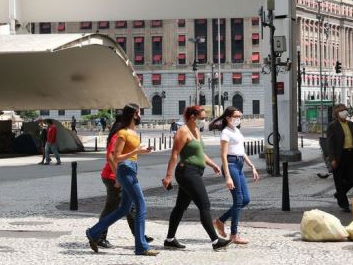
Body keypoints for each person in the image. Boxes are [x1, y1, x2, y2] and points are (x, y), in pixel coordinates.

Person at [87, 104, 157, 256]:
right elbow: (115, 157)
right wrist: (136, 151)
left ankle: (93, 233)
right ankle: (141, 246)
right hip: (125, 170)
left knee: (124, 209)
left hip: (131, 168)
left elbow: (131, 154)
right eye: (139, 113)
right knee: (140, 206)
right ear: (134, 115)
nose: (141, 116)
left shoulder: (133, 132)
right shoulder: (122, 133)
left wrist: (141, 152)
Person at [162, 106, 231, 251]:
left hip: (195, 172)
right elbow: (174, 154)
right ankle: (215, 241)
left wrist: (212, 164)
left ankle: (169, 239)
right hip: (187, 172)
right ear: (193, 117)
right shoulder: (183, 131)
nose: (204, 121)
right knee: (204, 205)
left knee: (180, 207)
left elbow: (200, 152)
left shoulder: (197, 131)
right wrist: (168, 176)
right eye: (202, 118)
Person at [211, 106, 259, 245]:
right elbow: (223, 155)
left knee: (246, 200)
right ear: (228, 117)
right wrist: (227, 176)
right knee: (238, 200)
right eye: (236, 116)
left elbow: (241, 151)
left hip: (239, 164)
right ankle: (234, 235)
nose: (238, 119)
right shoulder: (225, 132)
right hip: (230, 165)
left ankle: (220, 221)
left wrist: (252, 166)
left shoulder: (236, 130)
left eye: (240, 116)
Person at [326, 105, 353, 212]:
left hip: (351, 154)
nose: (344, 112)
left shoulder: (351, 125)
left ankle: (339, 194)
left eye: (345, 110)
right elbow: (330, 144)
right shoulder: (333, 126)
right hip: (339, 155)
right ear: (337, 113)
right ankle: (344, 204)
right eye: (342, 110)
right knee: (338, 180)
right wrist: (332, 159)